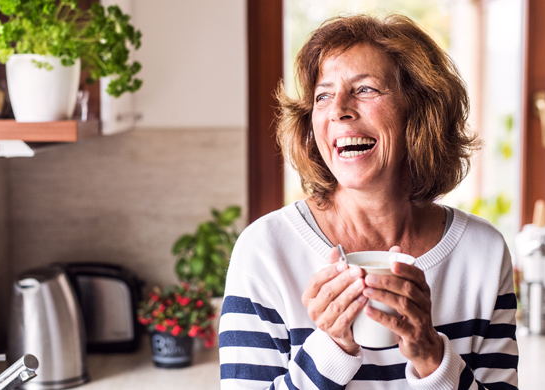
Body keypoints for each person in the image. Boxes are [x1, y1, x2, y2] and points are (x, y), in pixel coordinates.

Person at [219, 14, 518, 390]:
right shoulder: (264, 251)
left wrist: (431, 358)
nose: (339, 109)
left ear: (419, 111)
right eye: (323, 95)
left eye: (365, 89)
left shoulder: (483, 255)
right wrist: (331, 348)